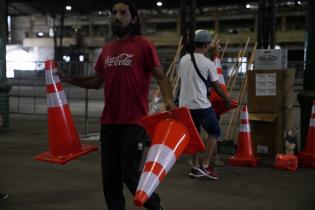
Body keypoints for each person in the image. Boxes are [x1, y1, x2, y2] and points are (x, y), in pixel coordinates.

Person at [57, 0, 176, 209]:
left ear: (134, 18)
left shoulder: (143, 45)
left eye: (122, 13)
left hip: (134, 122)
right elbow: (96, 82)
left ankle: (156, 206)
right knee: (110, 178)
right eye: (114, 13)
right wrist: (66, 77)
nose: (117, 16)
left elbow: (161, 76)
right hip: (109, 123)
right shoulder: (108, 49)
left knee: (129, 173)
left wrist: (168, 101)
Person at [178, 30, 231, 180]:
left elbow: (182, 80)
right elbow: (216, 86)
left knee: (194, 136)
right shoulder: (208, 63)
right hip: (201, 105)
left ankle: (194, 167)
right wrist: (227, 100)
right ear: (206, 45)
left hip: (184, 106)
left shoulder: (183, 59)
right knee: (215, 132)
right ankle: (205, 166)